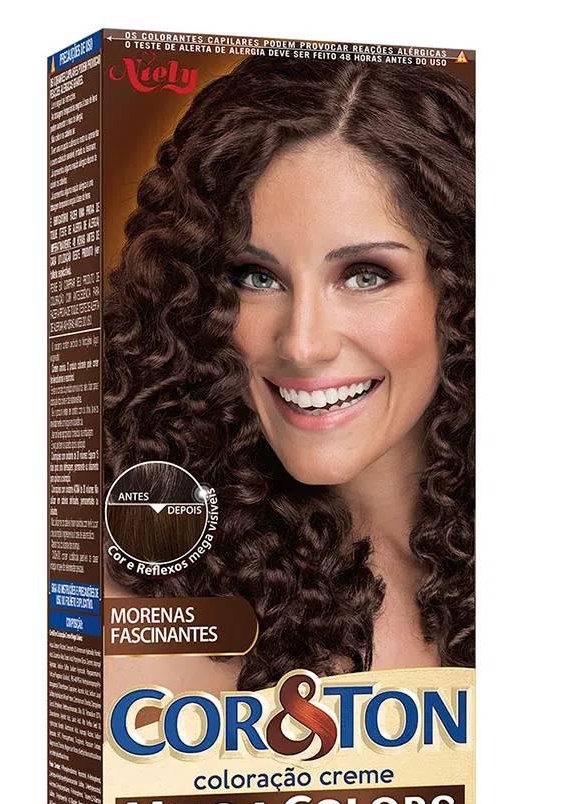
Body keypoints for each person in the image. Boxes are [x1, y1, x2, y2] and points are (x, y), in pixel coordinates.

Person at [104, 56, 474, 698]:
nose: (304, 344)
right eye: (257, 277)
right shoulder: (139, 603)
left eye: (365, 275)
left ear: (462, 292)